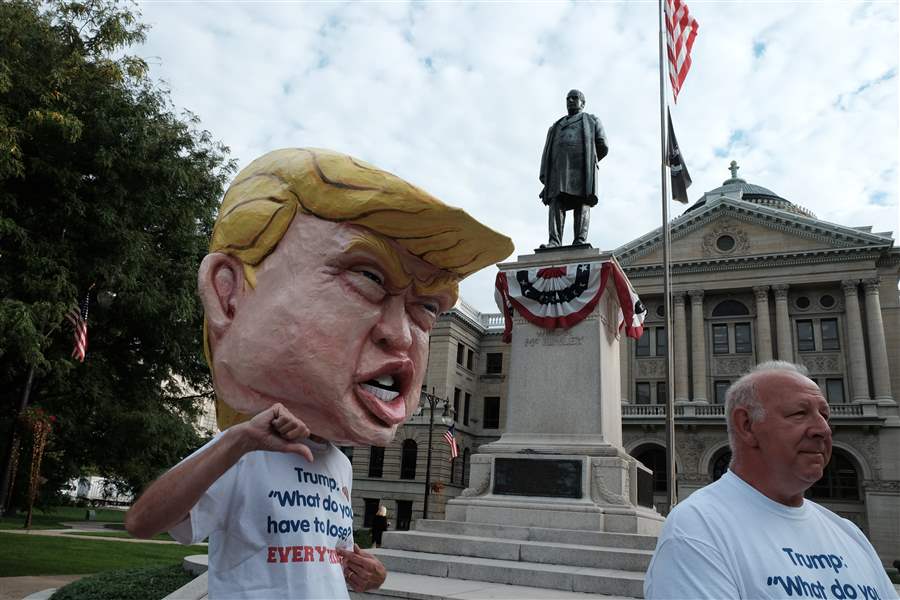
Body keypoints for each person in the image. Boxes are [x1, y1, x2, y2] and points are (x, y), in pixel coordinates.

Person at [125, 148, 513, 598]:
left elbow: (333, 559)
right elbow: (141, 522)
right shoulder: (240, 456)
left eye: (426, 307)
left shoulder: (339, 466)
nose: (400, 337)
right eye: (368, 276)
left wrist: (371, 574)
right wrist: (238, 440)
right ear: (228, 295)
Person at [644, 361, 898, 600]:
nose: (824, 429)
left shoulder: (850, 534)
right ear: (747, 425)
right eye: (800, 413)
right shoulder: (698, 529)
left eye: (824, 415)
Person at [538, 89, 608, 248]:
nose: (570, 100)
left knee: (582, 202)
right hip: (558, 170)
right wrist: (546, 174)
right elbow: (547, 151)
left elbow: (602, 144)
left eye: (574, 98)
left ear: (583, 103)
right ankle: (554, 241)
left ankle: (579, 240)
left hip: (581, 168)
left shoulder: (591, 120)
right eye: (568, 98)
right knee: (556, 202)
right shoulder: (556, 126)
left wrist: (589, 160)